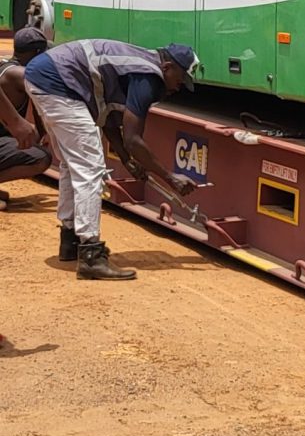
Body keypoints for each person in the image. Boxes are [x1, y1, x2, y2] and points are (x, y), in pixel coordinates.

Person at [24, 38, 201, 280]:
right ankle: (91, 255)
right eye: (180, 78)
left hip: (45, 76)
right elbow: (133, 139)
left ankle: (70, 240)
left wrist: (128, 160)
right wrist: (170, 178)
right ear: (167, 67)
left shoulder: (140, 64)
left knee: (72, 164)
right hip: (58, 82)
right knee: (90, 170)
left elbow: (106, 118)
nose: (179, 86)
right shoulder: (149, 76)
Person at [0, 27, 52, 211]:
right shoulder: (18, 75)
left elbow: (36, 103)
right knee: (41, 158)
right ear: (36, 53)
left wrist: (44, 132)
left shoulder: (8, 66)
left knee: (34, 136)